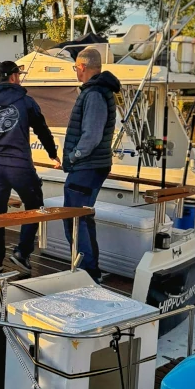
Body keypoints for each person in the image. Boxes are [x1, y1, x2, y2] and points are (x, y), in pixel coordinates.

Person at [0, 60, 61, 275]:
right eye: (18, 74)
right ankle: (22, 253)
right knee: (36, 208)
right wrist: (53, 154)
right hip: (20, 166)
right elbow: (42, 130)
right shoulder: (27, 102)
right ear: (13, 77)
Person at [62, 46, 121, 282]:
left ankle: (86, 271)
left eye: (76, 67)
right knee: (83, 216)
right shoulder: (98, 90)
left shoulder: (94, 93)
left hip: (86, 166)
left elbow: (92, 135)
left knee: (74, 217)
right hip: (92, 166)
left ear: (83, 67)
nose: (76, 72)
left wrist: (74, 156)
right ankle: (91, 269)